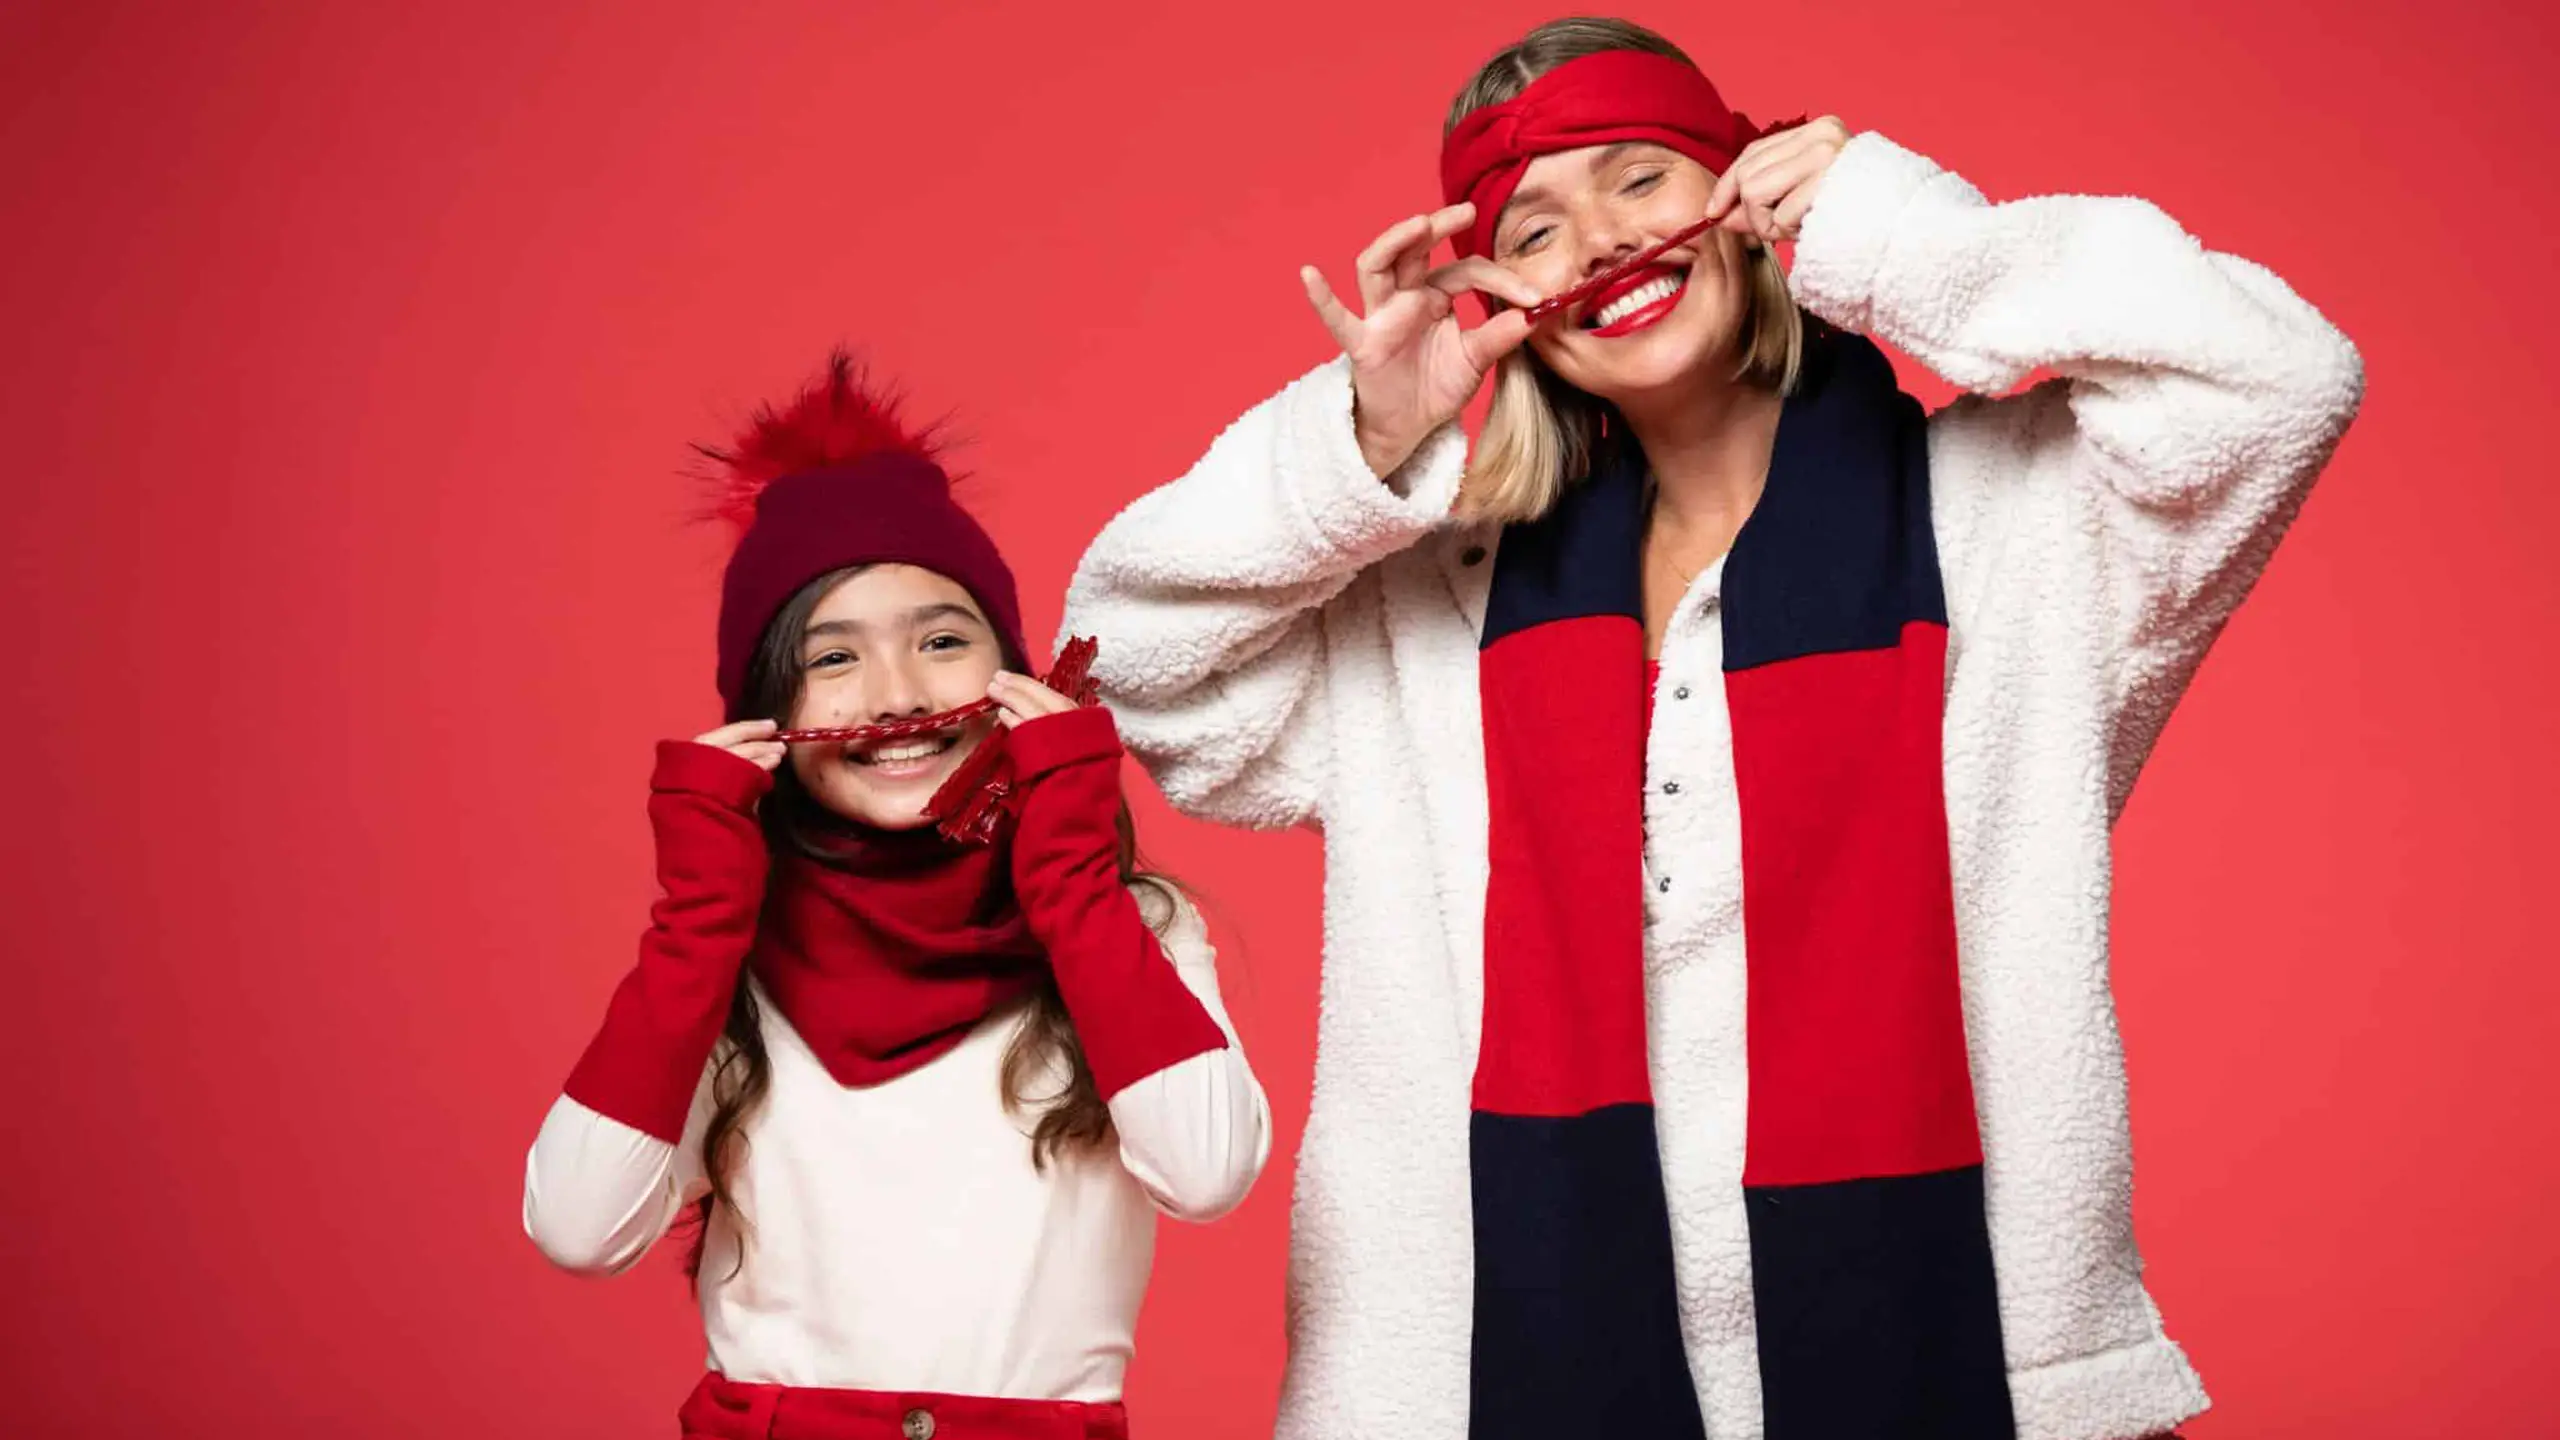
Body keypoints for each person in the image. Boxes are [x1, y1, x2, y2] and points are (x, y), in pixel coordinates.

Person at [1057, 17, 2361, 1440]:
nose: (1601, 244)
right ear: (1495, 297)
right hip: (1488, 1383)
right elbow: (1129, 655)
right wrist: (1366, 443)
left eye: (1639, 179)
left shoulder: (2016, 524)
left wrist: (1898, 230)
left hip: (1970, 1359)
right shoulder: (1429, 608)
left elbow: (2276, 379)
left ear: (1742, 198)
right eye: (1535, 228)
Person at [524, 350, 1270, 1440]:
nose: (901, 697)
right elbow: (579, 1230)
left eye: (942, 641)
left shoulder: (1130, 925)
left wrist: (1067, 877)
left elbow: (1206, 1174)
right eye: (834, 658)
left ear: (1011, 676)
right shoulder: (724, 959)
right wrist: (696, 924)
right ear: (769, 709)